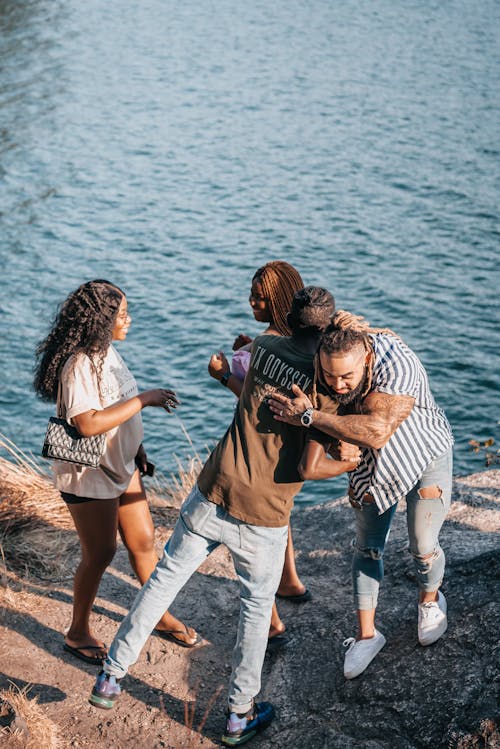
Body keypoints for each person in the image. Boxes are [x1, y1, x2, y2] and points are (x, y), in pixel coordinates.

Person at [89, 287, 359, 747]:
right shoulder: (325, 383)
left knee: (164, 581)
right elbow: (312, 465)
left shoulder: (267, 346)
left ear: (289, 320)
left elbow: (245, 374)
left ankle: (110, 678)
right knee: (255, 610)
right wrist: (348, 462)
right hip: (265, 511)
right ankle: (238, 715)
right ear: (330, 327)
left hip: (213, 486)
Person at [268, 309, 454, 679]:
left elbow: (377, 431)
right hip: (371, 465)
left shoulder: (397, 363)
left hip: (422, 453)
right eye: (330, 375)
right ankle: (366, 636)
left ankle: (431, 600)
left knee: (422, 542)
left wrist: (309, 418)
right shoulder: (330, 357)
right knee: (367, 547)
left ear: (366, 357)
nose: (337, 385)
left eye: (347, 377)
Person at [33, 280, 200, 664]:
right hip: (89, 474)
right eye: (122, 315)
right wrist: (146, 399)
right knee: (101, 552)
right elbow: (88, 423)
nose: (129, 320)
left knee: (143, 542)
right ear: (100, 320)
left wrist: (136, 446)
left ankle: (158, 615)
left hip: (121, 465)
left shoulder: (106, 352)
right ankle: (77, 632)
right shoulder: (78, 364)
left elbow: (115, 404)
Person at [207, 260, 310, 651]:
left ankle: (270, 623)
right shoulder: (302, 344)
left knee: (251, 535)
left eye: (259, 297)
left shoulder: (263, 348)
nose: (251, 300)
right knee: (278, 518)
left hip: (258, 448)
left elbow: (254, 401)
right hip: (291, 452)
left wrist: (222, 374)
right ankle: (290, 582)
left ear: (279, 301)